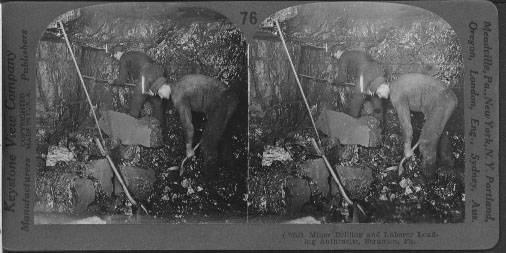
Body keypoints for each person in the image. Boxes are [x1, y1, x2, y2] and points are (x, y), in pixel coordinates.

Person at [148, 74, 238, 182]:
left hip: (223, 101)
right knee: (223, 136)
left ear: (163, 87)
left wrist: (189, 148)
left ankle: (212, 181)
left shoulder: (177, 95)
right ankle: (231, 171)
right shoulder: (179, 82)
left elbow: (187, 124)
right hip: (230, 97)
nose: (161, 97)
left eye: (159, 93)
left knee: (207, 143)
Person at [369, 73, 457, 181]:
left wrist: (407, 147)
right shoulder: (398, 83)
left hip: (442, 101)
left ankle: (428, 179)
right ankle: (449, 164)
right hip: (448, 97)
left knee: (426, 144)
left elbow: (406, 123)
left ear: (383, 86)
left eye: (378, 92)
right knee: (438, 132)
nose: (380, 96)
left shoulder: (396, 93)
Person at [109, 46, 166, 124]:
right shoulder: (134, 54)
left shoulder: (124, 57)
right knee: (157, 102)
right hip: (159, 72)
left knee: (136, 102)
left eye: (115, 56)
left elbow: (122, 80)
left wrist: (113, 82)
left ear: (118, 53)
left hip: (147, 74)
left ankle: (131, 126)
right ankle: (159, 127)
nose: (116, 58)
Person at [331, 49, 386, 125]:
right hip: (377, 72)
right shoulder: (354, 52)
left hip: (365, 74)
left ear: (338, 51)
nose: (335, 57)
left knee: (357, 99)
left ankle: (350, 124)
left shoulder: (344, 56)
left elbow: (341, 79)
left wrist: (333, 81)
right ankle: (380, 126)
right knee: (376, 98)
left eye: (334, 54)